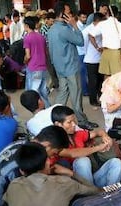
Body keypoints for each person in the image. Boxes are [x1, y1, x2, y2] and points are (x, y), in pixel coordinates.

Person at [0, 125, 78, 206]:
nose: (52, 157)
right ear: (46, 145)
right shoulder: (18, 167)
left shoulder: (26, 145)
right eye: (54, 153)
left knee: (62, 166)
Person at [3, 142, 101, 206]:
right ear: (47, 162)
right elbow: (95, 191)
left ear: (21, 171)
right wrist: (71, 173)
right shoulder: (63, 183)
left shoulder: (13, 186)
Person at [47, 1, 98, 130]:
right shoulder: (65, 29)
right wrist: (75, 25)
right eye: (69, 13)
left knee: (63, 94)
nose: (71, 15)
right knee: (76, 95)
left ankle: (53, 118)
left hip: (59, 67)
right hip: (70, 67)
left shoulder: (52, 29)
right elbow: (80, 41)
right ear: (62, 14)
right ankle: (81, 120)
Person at [51, 105, 121, 187]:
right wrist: (98, 148)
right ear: (58, 124)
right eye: (69, 122)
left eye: (74, 120)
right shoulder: (55, 143)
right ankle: (90, 197)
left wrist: (105, 136)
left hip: (90, 179)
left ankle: (111, 193)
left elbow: (98, 132)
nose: (74, 124)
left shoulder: (78, 134)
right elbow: (74, 153)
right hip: (75, 185)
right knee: (82, 161)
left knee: (116, 162)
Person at [88, 5, 121, 76]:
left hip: (106, 52)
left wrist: (97, 48)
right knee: (116, 77)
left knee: (106, 76)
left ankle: (106, 87)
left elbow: (90, 35)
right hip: (116, 53)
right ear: (117, 14)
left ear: (108, 13)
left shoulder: (102, 24)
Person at [23, 16, 50, 108]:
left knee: (34, 92)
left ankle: (38, 111)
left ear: (26, 25)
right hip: (43, 66)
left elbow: (28, 55)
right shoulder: (41, 36)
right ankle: (47, 108)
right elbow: (46, 52)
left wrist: (24, 61)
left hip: (33, 67)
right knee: (43, 90)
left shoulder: (27, 38)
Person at [83, 12, 105, 107]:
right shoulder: (87, 30)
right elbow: (84, 45)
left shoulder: (102, 29)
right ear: (97, 21)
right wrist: (95, 49)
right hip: (91, 59)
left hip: (101, 59)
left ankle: (101, 98)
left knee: (101, 80)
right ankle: (93, 100)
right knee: (93, 81)